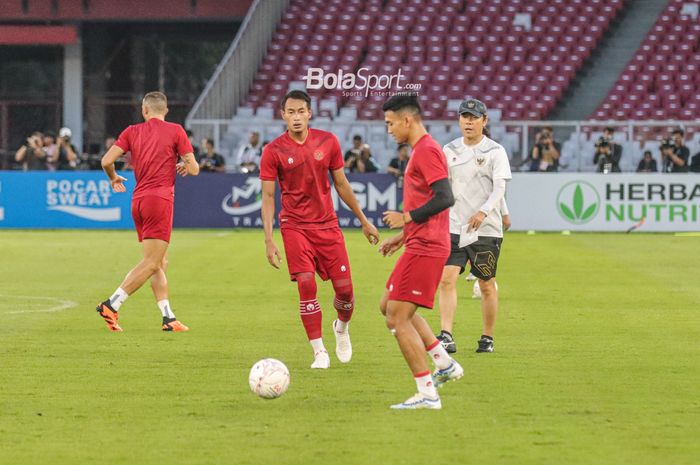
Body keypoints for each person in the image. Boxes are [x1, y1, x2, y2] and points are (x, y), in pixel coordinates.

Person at [260, 90, 379, 369]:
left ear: (309, 113)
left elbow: (341, 184)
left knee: (346, 292)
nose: (296, 117)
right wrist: (268, 239)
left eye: (301, 111)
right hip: (294, 226)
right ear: (283, 115)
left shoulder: (328, 142)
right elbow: (267, 197)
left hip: (327, 225)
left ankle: (341, 328)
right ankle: (319, 351)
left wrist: (363, 220)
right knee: (305, 283)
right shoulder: (273, 150)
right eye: (291, 112)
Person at [378, 93, 462, 410]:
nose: (389, 130)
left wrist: (408, 219)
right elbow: (430, 200)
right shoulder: (421, 150)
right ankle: (445, 364)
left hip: (428, 246)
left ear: (407, 120)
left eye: (390, 123)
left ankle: (427, 393)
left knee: (398, 318)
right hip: (418, 241)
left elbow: (445, 197)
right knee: (388, 306)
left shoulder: (426, 151)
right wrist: (402, 235)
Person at [95, 91, 199, 332]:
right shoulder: (176, 131)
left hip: (139, 200)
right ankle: (112, 303)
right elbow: (193, 169)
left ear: (145, 111)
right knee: (152, 262)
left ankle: (168, 317)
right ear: (166, 110)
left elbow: (106, 161)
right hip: (160, 199)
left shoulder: (132, 131)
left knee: (159, 261)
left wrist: (113, 179)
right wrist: (184, 164)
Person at [436, 98, 512, 355]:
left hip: (486, 229)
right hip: (455, 226)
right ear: (459, 120)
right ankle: (446, 334)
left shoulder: (495, 151)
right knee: (447, 279)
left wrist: (485, 211)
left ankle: (487, 337)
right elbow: (442, 185)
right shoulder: (449, 149)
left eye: (474, 117)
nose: (468, 121)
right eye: (464, 116)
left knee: (486, 283)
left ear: (484, 121)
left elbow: (500, 187)